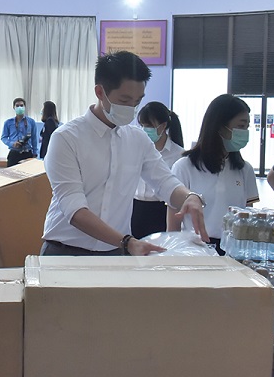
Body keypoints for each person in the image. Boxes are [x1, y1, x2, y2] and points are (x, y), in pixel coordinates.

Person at [41, 51, 207, 257]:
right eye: (125, 100)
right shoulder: (66, 138)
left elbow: (165, 182)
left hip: (115, 252)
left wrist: (190, 197)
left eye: (137, 101)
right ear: (100, 92)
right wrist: (127, 242)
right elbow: (74, 210)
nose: (132, 108)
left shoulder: (137, 139)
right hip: (65, 251)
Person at [167, 95, 259, 255]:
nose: (245, 132)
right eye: (241, 126)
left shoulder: (245, 169)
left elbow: (247, 218)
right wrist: (172, 253)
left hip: (233, 250)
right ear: (220, 127)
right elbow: (174, 221)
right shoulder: (184, 166)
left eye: (247, 127)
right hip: (195, 250)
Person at [132, 101, 185, 238]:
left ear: (163, 126)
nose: (145, 129)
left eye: (149, 126)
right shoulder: (135, 149)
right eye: (142, 125)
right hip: (136, 208)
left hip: (161, 211)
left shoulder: (179, 155)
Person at [1, 97, 38, 167]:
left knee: (28, 172)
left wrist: (35, 152)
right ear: (14, 107)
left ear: (25, 107)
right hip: (14, 153)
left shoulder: (31, 122)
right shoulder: (8, 122)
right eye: (17, 106)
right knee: (11, 172)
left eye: (21, 105)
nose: (19, 107)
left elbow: (34, 138)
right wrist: (12, 144)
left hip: (27, 152)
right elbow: (3, 137)